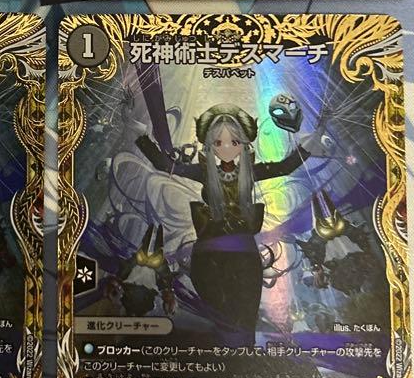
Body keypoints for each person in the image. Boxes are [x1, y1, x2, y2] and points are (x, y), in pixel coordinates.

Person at [135, 103, 317, 342]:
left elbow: (284, 167)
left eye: (234, 142)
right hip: (211, 251)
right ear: (209, 145)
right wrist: (140, 136)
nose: (227, 148)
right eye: (218, 142)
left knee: (243, 317)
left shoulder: (249, 171)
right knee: (218, 316)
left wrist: (308, 146)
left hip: (241, 252)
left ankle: (243, 354)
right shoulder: (203, 171)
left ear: (244, 144)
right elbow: (165, 166)